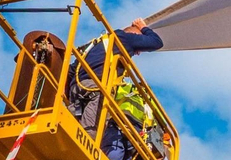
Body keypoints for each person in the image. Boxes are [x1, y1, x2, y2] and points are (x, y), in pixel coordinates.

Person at [66, 18, 163, 152]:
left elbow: (71, 70)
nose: (137, 53)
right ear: (135, 35)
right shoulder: (125, 38)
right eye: (137, 49)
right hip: (97, 90)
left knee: (68, 127)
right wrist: (142, 27)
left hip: (77, 88)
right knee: (89, 135)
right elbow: (157, 43)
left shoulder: (96, 44)